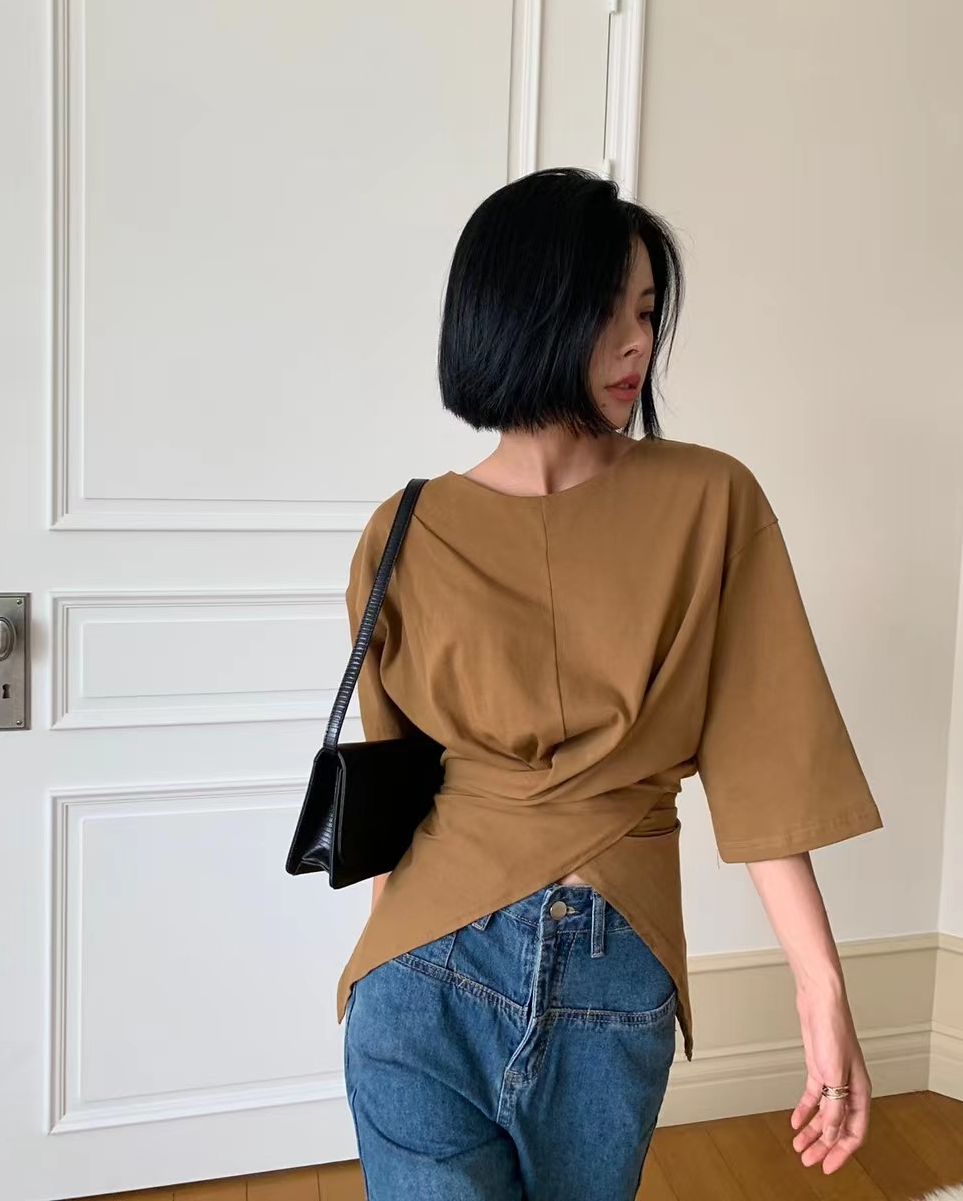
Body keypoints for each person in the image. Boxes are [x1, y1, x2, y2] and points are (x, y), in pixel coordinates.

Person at [337, 167, 884, 1200]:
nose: (639, 343)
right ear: (520, 312)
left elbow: (765, 759)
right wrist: (374, 959)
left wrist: (823, 992)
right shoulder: (404, 531)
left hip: (611, 969)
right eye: (608, 312)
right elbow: (392, 793)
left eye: (647, 311)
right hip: (420, 978)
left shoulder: (712, 501)